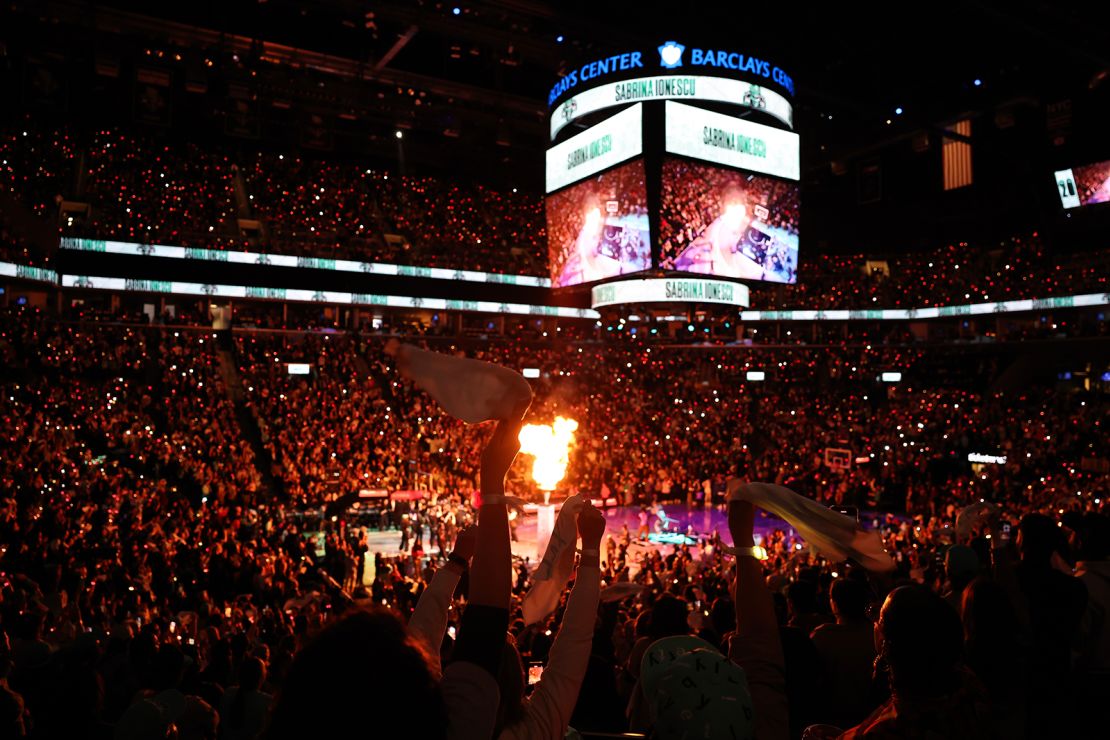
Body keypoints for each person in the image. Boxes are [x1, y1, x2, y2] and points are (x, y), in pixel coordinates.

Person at [810, 578, 876, 729]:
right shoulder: (875, 633)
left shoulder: (823, 636)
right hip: (871, 716)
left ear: (835, 603)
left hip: (833, 718)